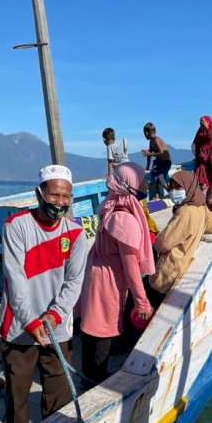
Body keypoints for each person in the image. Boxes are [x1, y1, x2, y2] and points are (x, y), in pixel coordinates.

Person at [0, 165, 88, 423]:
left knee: (58, 391)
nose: (59, 203)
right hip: (19, 328)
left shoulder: (76, 234)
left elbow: (74, 283)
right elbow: (16, 279)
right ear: (39, 194)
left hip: (56, 328)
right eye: (53, 195)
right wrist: (31, 320)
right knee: (17, 393)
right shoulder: (16, 226)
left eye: (65, 197)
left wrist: (56, 315)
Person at [80, 163, 156, 384]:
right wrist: (142, 302)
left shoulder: (112, 206)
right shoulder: (125, 219)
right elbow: (131, 268)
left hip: (97, 271)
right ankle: (95, 378)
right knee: (103, 328)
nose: (146, 183)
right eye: (143, 179)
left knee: (92, 325)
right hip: (108, 279)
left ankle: (88, 373)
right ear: (131, 184)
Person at [147, 171, 212, 306]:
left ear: (188, 187)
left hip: (169, 270)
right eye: (171, 188)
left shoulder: (186, 211)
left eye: (178, 188)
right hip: (184, 268)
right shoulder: (202, 208)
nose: (174, 192)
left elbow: (164, 242)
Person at [142, 122, 172, 200]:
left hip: (165, 162)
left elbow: (161, 152)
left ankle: (171, 192)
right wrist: (147, 167)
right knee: (154, 176)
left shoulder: (156, 139)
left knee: (160, 177)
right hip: (158, 162)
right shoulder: (151, 141)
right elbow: (150, 155)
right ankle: (156, 195)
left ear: (146, 133)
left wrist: (149, 153)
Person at [193, 115, 212, 187]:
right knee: (201, 167)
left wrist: (207, 128)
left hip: (210, 152)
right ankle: (202, 183)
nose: (201, 124)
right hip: (201, 154)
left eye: (203, 122)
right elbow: (196, 142)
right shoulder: (199, 132)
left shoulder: (211, 130)